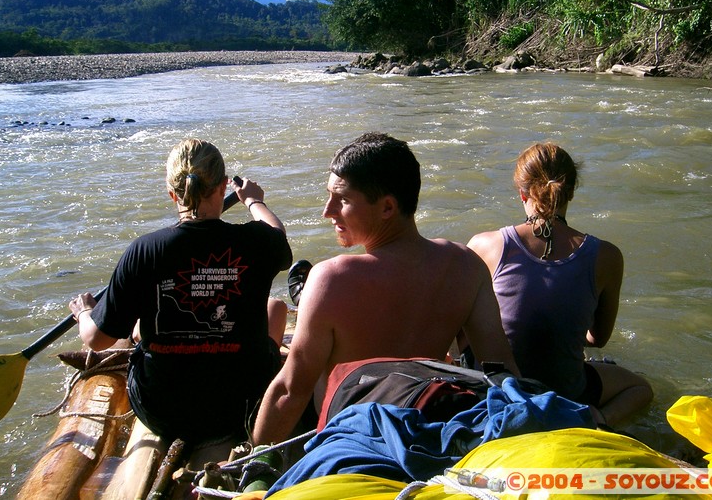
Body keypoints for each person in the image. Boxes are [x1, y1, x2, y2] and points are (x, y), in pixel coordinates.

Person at [251, 132, 518, 445]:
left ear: (388, 208)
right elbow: (502, 368)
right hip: (425, 431)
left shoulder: (330, 279)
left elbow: (290, 391)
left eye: (343, 200)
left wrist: (251, 464)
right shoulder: (466, 266)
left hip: (351, 440)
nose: (328, 210)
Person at [69, 138, 292, 443]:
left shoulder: (145, 250)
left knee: (133, 328)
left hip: (163, 410)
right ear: (224, 185)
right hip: (242, 403)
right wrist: (253, 201)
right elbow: (277, 235)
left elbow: (96, 339)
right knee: (276, 308)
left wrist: (84, 313)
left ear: (172, 193)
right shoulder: (258, 242)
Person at [466, 142, 653, 426]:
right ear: (572, 192)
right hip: (566, 392)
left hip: (498, 390)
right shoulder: (606, 256)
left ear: (522, 193)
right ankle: (596, 420)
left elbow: (462, 329)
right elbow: (597, 339)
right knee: (640, 388)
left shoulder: (486, 245)